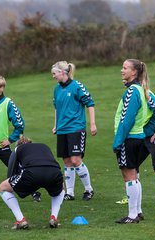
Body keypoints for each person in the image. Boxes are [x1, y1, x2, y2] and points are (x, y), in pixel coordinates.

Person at [51, 61, 97, 201]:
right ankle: (69, 192)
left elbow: (90, 103)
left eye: (54, 73)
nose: (53, 76)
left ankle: (88, 189)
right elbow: (57, 108)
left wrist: (92, 124)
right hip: (62, 129)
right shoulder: (57, 89)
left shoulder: (77, 86)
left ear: (63, 72)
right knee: (67, 161)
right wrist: (55, 125)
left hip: (76, 129)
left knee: (76, 160)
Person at [0, 136, 65, 229]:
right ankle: (54, 217)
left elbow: (11, 172)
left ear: (18, 145)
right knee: (60, 189)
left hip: (31, 173)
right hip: (54, 172)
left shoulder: (18, 148)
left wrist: (15, 184)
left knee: (3, 187)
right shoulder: (44, 146)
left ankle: (20, 220)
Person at [113, 59, 149, 224]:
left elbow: (126, 119)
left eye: (125, 68)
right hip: (136, 138)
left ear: (134, 72)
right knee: (133, 175)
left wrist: (118, 141)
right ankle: (138, 211)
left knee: (129, 176)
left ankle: (132, 214)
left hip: (129, 139)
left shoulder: (132, 92)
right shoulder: (139, 89)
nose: (122, 70)